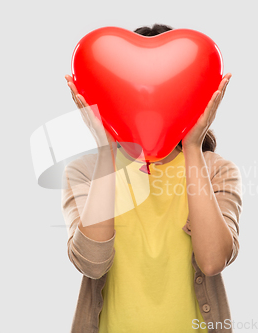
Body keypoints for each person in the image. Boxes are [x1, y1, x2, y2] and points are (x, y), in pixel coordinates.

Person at [62, 24, 243, 333]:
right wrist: (106, 150)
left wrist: (193, 147)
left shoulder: (217, 169)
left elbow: (213, 261)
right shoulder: (83, 173)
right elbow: (92, 263)